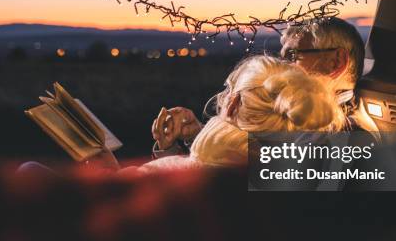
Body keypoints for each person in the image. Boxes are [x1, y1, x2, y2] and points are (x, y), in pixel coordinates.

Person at [152, 16, 377, 158]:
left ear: (336, 62)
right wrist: (196, 136)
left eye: (292, 55)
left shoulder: (343, 139)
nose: (281, 67)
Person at [137, 55, 345, 172]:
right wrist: (193, 137)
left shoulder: (154, 178)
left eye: (228, 88)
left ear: (233, 104)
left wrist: (104, 154)